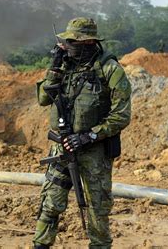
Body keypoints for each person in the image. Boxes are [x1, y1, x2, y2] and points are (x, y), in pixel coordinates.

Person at [34, 17, 132, 248]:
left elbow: (121, 116)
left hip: (93, 151)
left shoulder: (110, 69)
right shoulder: (64, 67)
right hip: (62, 147)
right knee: (50, 203)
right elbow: (43, 99)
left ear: (88, 43)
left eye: (73, 42)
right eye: (66, 42)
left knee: (97, 208)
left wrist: (89, 136)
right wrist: (54, 67)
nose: (67, 46)